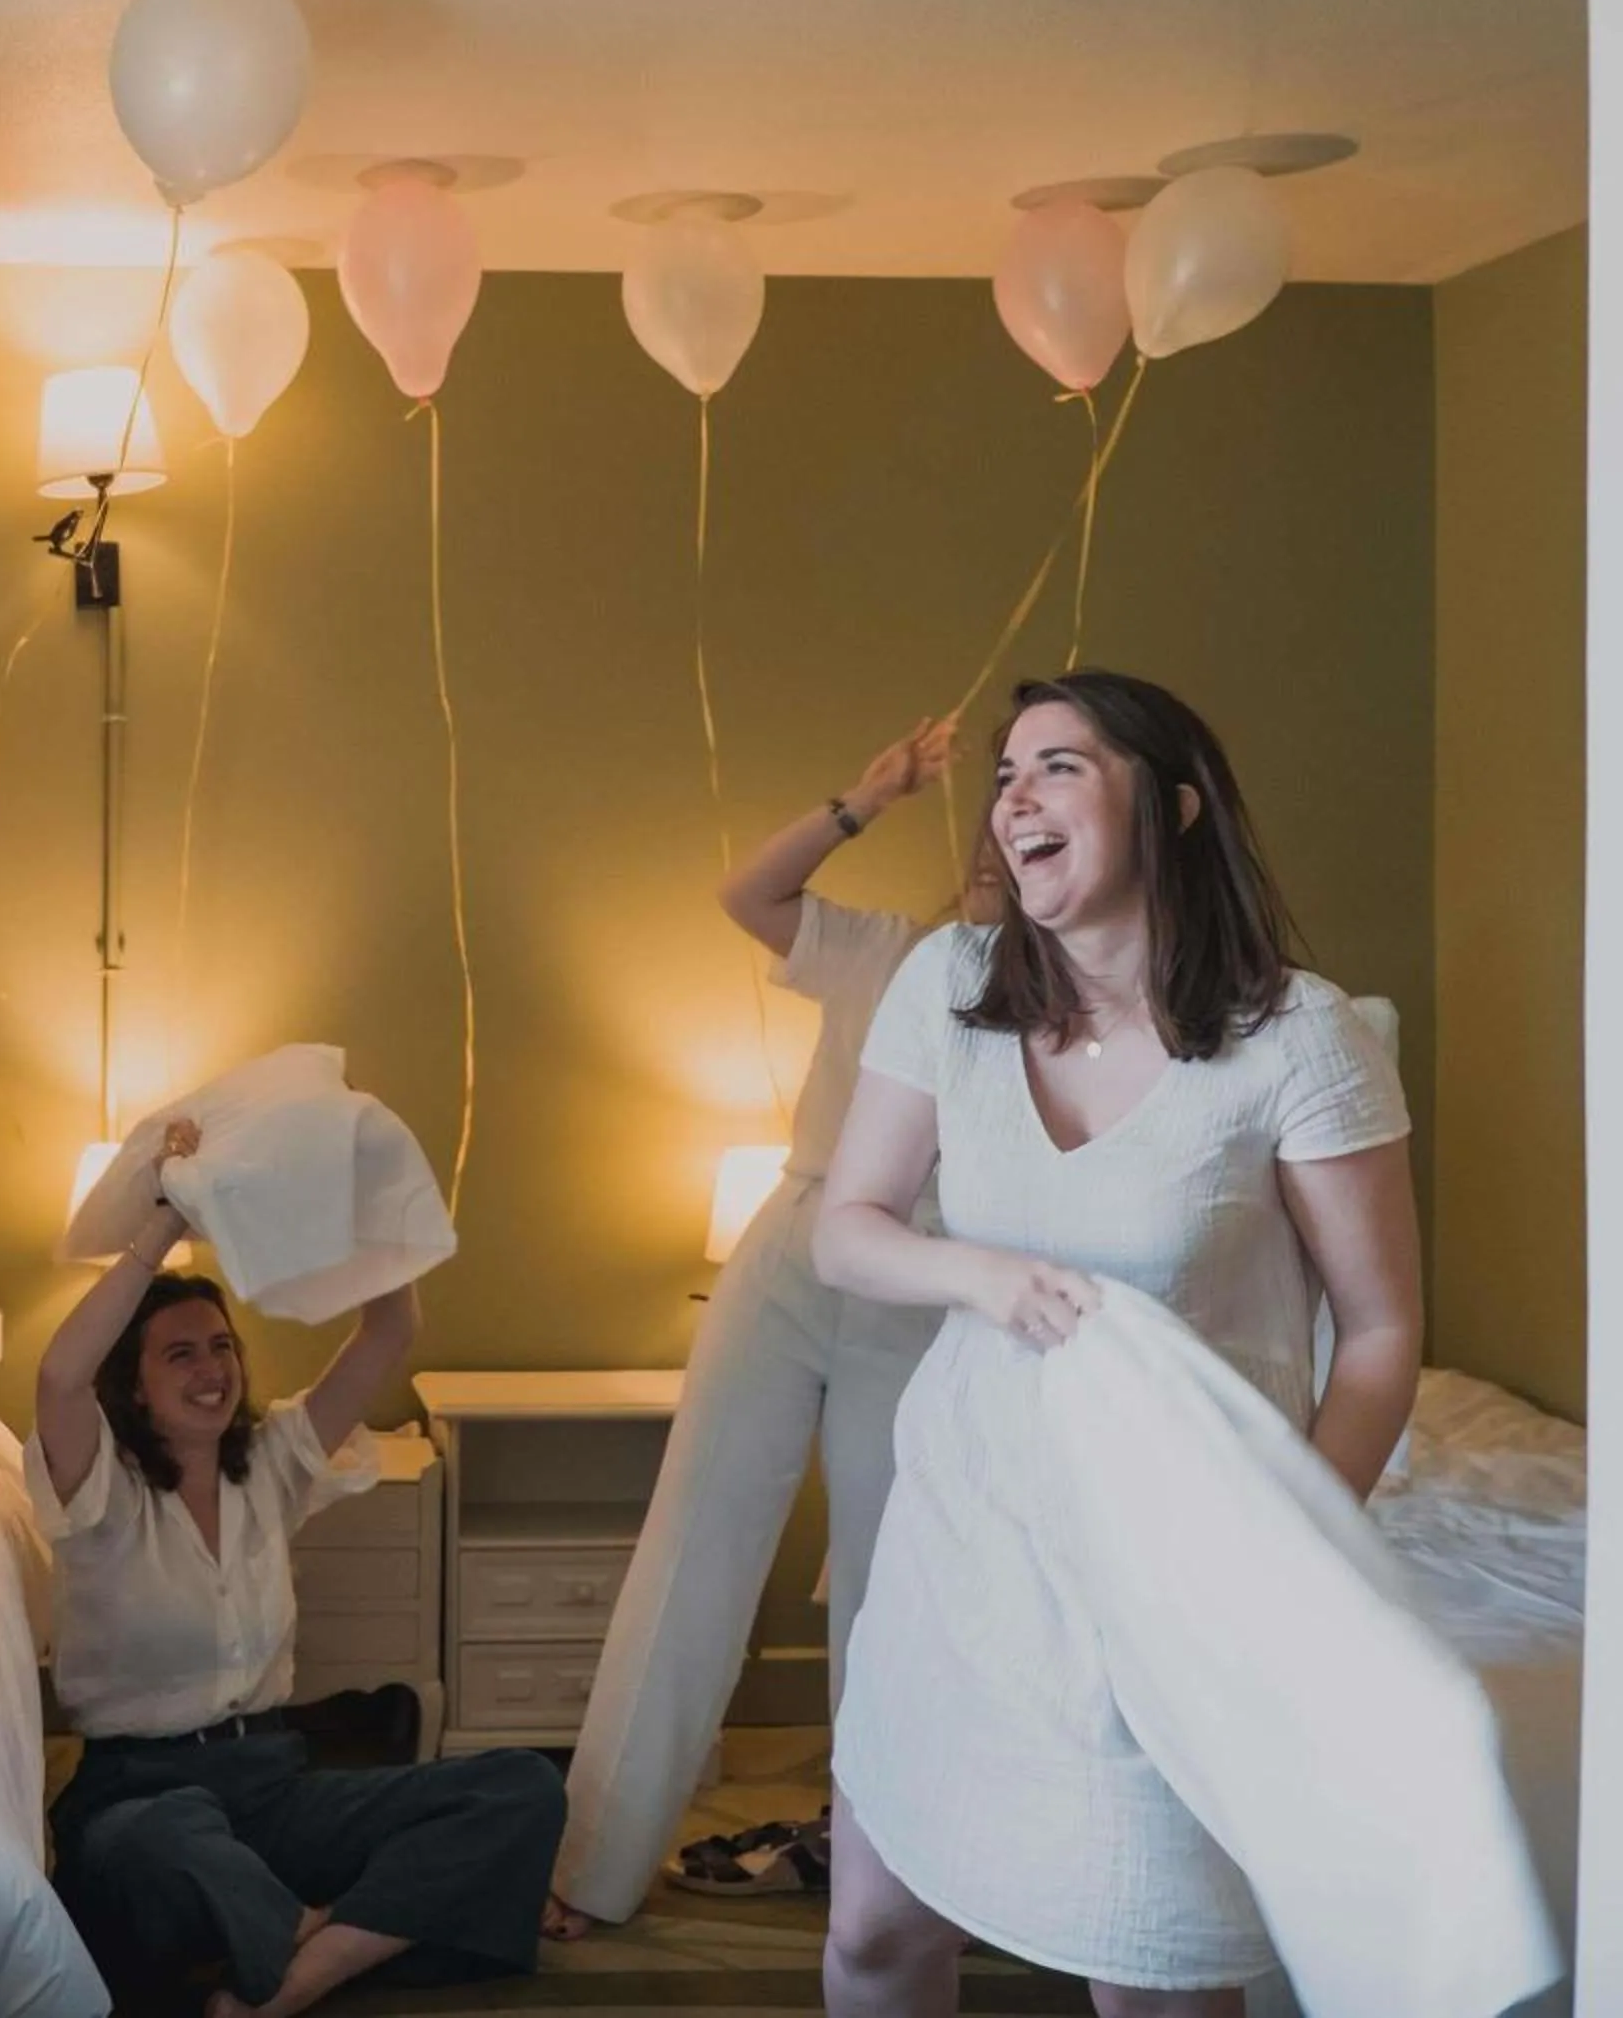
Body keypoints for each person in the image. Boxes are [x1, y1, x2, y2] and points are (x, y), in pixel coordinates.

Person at [811, 671, 1419, 2017]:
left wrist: (1294, 1543)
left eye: (1061, 767)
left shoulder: (1300, 1038)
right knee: (873, 1936)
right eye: (1006, 774)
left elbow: (1381, 1331)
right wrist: (975, 1273)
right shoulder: (948, 983)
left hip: (1179, 1571)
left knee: (1153, 1968)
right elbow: (845, 1232)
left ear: (1174, 807)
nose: (1014, 798)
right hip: (966, 1542)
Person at [553, 716, 993, 1924]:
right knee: (692, 1547)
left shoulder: (1071, 1014)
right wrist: (869, 795)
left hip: (918, 1276)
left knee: (886, 1588)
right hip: (797, 1244)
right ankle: (591, 1869)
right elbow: (748, 893)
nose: (996, 851)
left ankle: (883, 1878)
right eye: (989, 831)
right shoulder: (886, 951)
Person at [33, 1123, 566, 2018]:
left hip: (272, 1787)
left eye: (221, 1347)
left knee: (520, 1785)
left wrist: (360, 1188)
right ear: (133, 1385)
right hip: (141, 1793)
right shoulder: (99, 1492)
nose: (212, 1370)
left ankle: (297, 1968)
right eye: (180, 1354)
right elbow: (58, 1377)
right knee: (156, 1846)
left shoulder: (270, 1466)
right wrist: (167, 1218)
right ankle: (359, 1924)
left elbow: (393, 1326)